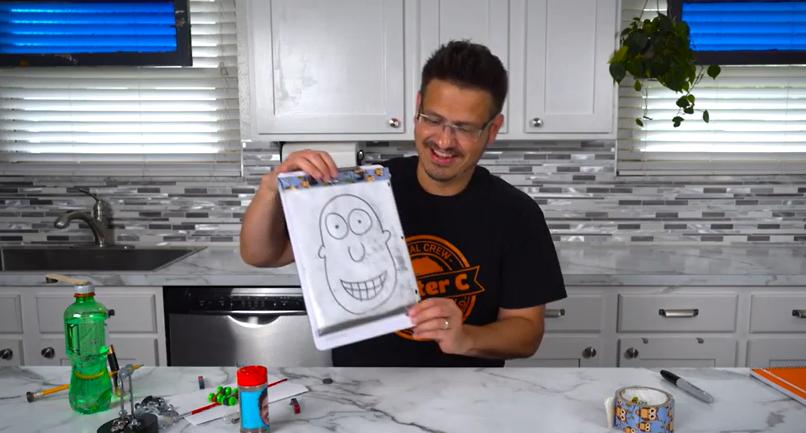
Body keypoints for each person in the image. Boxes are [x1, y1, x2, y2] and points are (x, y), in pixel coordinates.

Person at [240, 40, 567, 367]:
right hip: (360, 397)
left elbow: (526, 331)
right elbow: (261, 254)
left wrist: (467, 338)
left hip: (467, 402)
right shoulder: (364, 192)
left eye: (464, 128)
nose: (443, 141)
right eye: (434, 119)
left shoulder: (516, 214)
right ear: (417, 108)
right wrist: (272, 187)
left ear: (492, 130)